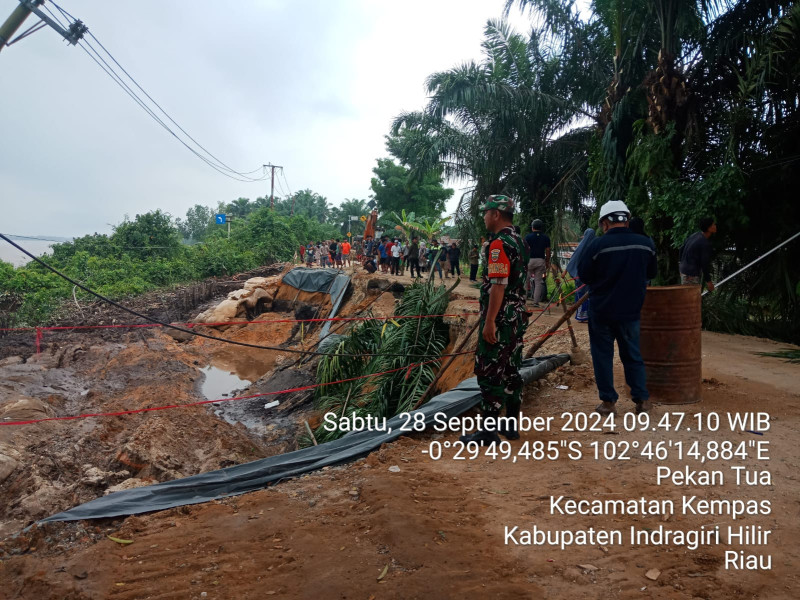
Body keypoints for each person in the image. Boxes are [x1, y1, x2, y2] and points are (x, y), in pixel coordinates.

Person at [460, 195, 529, 445]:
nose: (484, 217)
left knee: (489, 371)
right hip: (517, 315)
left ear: (496, 214)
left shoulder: (498, 244)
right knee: (511, 368)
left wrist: (489, 322)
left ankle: (488, 432)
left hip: (501, 317)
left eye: (486, 213)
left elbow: (498, 285)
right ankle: (510, 425)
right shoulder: (520, 241)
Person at [578, 200, 657, 416]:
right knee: (632, 354)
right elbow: (651, 273)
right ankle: (642, 401)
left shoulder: (597, 245)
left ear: (605, 223)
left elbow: (584, 275)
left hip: (602, 311)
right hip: (631, 311)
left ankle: (608, 403)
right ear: (627, 220)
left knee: (602, 356)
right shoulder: (645, 244)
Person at [565, 228, 595, 323]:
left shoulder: (581, 246)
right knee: (590, 294)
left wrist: (566, 272)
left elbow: (573, 259)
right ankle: (588, 315)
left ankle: (582, 316)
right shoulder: (596, 245)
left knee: (581, 294)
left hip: (581, 275)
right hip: (591, 276)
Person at [679, 217, 716, 293]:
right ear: (709, 228)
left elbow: (681, 249)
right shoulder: (704, 243)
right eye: (713, 224)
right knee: (691, 297)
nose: (715, 226)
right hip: (690, 274)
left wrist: (680, 265)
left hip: (684, 270)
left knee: (688, 296)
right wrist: (709, 282)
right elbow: (704, 264)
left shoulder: (695, 235)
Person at [525, 219, 551, 307]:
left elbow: (525, 249)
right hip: (540, 260)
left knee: (526, 281)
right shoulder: (545, 237)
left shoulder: (528, 237)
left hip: (529, 260)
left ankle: (523, 300)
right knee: (538, 282)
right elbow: (548, 250)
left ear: (532, 227)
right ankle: (536, 302)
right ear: (541, 228)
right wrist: (547, 261)